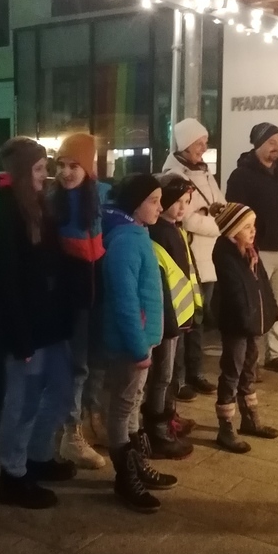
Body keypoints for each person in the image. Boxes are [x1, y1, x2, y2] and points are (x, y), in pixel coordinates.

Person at [0, 137, 76, 509]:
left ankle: (38, 457)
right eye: (38, 169)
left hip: (49, 325)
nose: (45, 176)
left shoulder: (37, 208)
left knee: (59, 392)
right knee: (22, 404)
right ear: (23, 173)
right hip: (28, 331)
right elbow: (4, 284)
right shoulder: (5, 217)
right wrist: (20, 337)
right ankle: (13, 476)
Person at [101, 174, 176, 513]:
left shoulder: (137, 234)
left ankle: (137, 465)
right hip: (130, 344)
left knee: (132, 404)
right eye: (153, 201)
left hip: (141, 341)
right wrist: (137, 347)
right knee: (122, 407)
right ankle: (125, 477)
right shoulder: (127, 242)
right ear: (135, 204)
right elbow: (125, 301)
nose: (160, 207)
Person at [48, 132, 112, 470]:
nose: (66, 172)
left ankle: (91, 420)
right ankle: (71, 434)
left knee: (96, 360)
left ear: (89, 168)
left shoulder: (101, 197)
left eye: (74, 165)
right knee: (77, 366)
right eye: (61, 165)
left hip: (96, 294)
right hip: (69, 299)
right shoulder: (52, 202)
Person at [225, 122, 278, 376]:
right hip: (259, 251)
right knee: (256, 307)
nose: (277, 148)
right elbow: (235, 215)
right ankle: (252, 361)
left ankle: (275, 354)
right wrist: (247, 246)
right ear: (258, 143)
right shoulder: (241, 176)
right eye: (271, 142)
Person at [211, 203, 278, 454]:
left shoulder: (250, 252)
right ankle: (226, 427)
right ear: (232, 230)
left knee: (250, 368)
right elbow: (236, 293)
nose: (253, 231)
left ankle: (250, 418)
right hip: (237, 324)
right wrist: (247, 319)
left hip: (252, 323)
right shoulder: (225, 253)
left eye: (253, 226)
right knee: (232, 370)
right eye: (247, 227)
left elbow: (262, 287)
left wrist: (270, 312)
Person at [162, 118, 222, 400]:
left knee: (198, 319)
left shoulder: (205, 172)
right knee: (183, 321)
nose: (204, 147)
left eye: (205, 141)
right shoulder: (174, 175)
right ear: (185, 144)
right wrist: (218, 225)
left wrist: (211, 217)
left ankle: (195, 373)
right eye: (200, 142)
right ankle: (178, 379)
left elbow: (220, 206)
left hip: (208, 257)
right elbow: (185, 217)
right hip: (188, 257)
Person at [144, 174, 202, 460]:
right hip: (167, 318)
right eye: (177, 201)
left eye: (186, 202)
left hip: (176, 316)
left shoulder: (174, 230)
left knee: (169, 373)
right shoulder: (160, 233)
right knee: (162, 375)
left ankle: (168, 418)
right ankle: (158, 431)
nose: (182, 208)